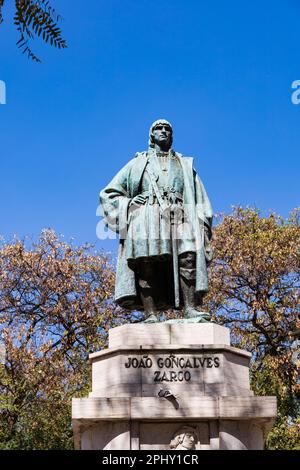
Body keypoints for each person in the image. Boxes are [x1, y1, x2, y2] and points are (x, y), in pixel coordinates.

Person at [100, 119, 213, 322]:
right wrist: (130, 203)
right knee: (146, 263)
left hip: (180, 214)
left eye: (167, 129)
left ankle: (190, 309)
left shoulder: (185, 164)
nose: (163, 131)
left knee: (188, 257)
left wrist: (203, 225)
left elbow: (200, 199)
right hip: (146, 216)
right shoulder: (137, 163)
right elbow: (108, 193)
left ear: (172, 136)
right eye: (158, 129)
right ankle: (150, 314)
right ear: (151, 135)